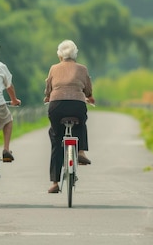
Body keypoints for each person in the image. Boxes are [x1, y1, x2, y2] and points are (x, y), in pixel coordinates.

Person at [44, 39, 95, 193]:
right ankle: (80, 152)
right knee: (81, 123)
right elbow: (88, 90)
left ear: (60, 56)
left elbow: (48, 89)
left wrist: (48, 97)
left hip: (57, 106)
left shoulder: (54, 68)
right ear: (75, 55)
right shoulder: (82, 69)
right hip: (77, 105)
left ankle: (54, 183)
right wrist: (89, 96)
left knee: (56, 137)